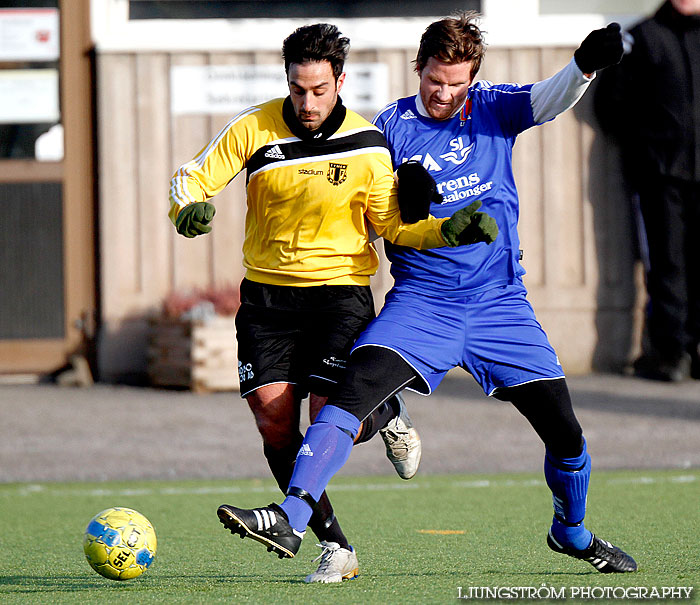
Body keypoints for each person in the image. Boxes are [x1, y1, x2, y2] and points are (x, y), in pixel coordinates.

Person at [216, 13, 639, 574]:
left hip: (499, 305)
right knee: (345, 398)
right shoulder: (386, 130)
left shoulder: (492, 109)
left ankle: (573, 532)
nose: (443, 94)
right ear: (418, 68)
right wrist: (405, 203)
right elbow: (371, 218)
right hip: (422, 303)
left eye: (456, 83)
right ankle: (291, 518)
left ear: (473, 78)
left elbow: (548, 99)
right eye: (434, 80)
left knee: (565, 431)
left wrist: (585, 65)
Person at [168, 23, 497, 583]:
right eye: (298, 89)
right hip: (267, 299)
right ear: (288, 82)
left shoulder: (370, 145)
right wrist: (187, 211)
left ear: (339, 82)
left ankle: (382, 411)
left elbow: (393, 225)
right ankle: (336, 547)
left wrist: (448, 231)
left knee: (328, 415)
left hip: (340, 295)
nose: (308, 101)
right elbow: (192, 179)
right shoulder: (254, 127)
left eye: (320, 90)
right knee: (275, 424)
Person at [595, 0, 700, 382]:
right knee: (667, 264)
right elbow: (611, 105)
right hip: (661, 177)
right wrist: (647, 151)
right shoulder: (641, 39)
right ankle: (671, 353)